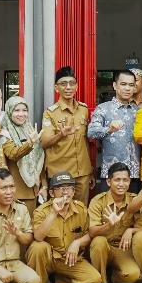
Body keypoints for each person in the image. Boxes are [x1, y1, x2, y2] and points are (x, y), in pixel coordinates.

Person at [24, 173, 103, 283]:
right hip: (48, 259)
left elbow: (89, 234)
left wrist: (77, 243)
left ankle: (58, 282)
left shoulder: (81, 209)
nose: (65, 191)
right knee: (38, 247)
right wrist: (54, 213)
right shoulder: (42, 211)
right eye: (60, 188)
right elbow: (38, 237)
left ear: (73, 191)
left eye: (69, 187)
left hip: (69, 259)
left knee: (94, 280)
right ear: (51, 192)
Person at [87, 163, 142, 283]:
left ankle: (113, 276)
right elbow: (92, 232)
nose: (121, 184)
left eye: (125, 180)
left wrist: (130, 230)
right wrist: (109, 225)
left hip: (121, 249)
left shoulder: (134, 200)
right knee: (99, 241)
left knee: (133, 275)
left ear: (130, 181)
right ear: (108, 181)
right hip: (103, 247)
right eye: (117, 180)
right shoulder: (98, 201)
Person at [40, 67, 92, 203]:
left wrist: (91, 170)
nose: (68, 87)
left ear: (76, 87)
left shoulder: (84, 109)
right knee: (61, 211)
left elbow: (85, 141)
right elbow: (44, 143)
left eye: (72, 83)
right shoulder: (50, 113)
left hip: (83, 172)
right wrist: (61, 135)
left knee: (81, 211)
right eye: (63, 84)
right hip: (60, 172)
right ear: (57, 88)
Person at [87, 69, 142, 194]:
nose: (127, 88)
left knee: (132, 210)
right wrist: (109, 129)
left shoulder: (138, 111)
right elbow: (91, 132)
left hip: (133, 173)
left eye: (131, 85)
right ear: (115, 85)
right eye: (123, 84)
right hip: (111, 174)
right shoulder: (103, 109)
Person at [1, 96, 44, 212]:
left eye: (24, 110)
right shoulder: (4, 132)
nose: (21, 114)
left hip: (33, 190)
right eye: (16, 110)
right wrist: (29, 143)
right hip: (16, 191)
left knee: (29, 227)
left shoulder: (30, 129)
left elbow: (39, 158)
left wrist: (43, 185)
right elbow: (12, 154)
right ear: (9, 111)